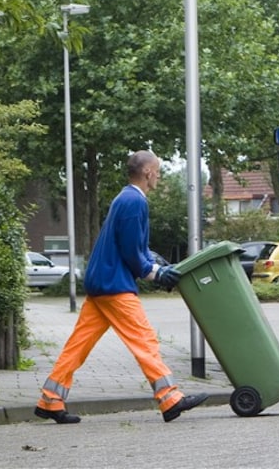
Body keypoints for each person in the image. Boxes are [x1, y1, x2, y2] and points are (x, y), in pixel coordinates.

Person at [34, 150, 209, 424]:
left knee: (78, 344)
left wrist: (154, 261)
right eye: (159, 171)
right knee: (144, 339)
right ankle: (169, 397)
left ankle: (50, 399)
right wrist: (154, 273)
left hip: (102, 280)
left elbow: (132, 245)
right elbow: (130, 250)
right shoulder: (134, 201)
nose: (160, 177)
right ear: (148, 172)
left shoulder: (124, 198)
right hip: (114, 284)